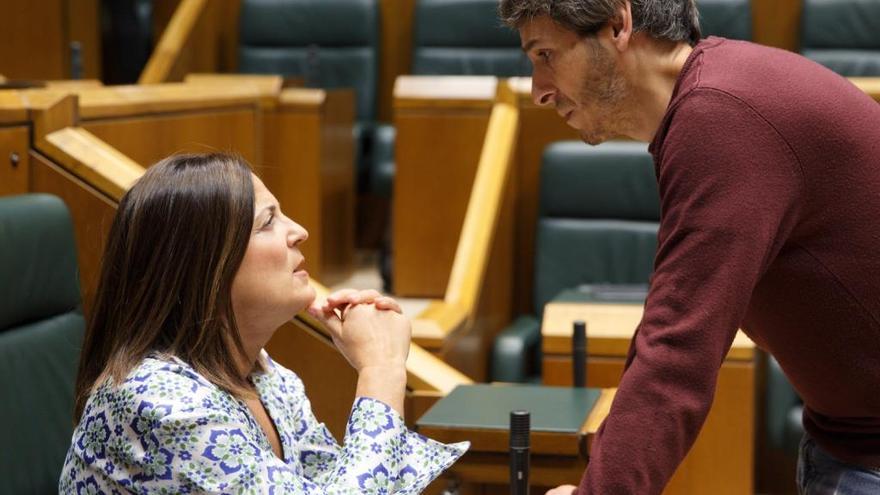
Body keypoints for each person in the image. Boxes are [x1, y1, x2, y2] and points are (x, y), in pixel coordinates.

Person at [497, 1, 880, 494]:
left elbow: (678, 349)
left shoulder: (722, 115)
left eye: (546, 54)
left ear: (618, 22)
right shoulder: (713, 97)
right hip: (846, 438)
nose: (539, 93)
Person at [59, 153, 467, 494]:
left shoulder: (268, 376)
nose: (299, 232)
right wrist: (381, 369)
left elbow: (336, 482)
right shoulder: (160, 404)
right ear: (206, 265)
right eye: (268, 221)